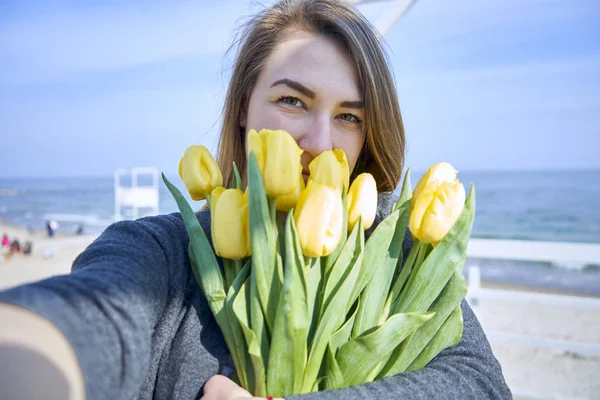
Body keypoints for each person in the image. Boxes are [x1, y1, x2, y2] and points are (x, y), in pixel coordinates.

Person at [0, 1, 512, 399]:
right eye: (293, 100)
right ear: (244, 107)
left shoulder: (395, 261)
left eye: (349, 117)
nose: (320, 142)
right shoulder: (161, 252)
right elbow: (95, 319)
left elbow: (480, 385)